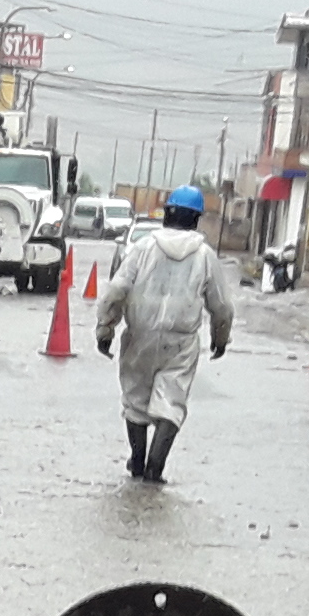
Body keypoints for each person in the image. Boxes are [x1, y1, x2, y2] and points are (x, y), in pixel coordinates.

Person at [93, 184, 233, 481]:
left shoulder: (143, 248)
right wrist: (220, 338)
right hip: (180, 342)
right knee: (172, 402)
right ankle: (156, 468)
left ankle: (138, 461)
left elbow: (116, 290)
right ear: (197, 219)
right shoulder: (205, 256)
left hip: (139, 335)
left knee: (135, 399)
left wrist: (105, 328)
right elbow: (221, 306)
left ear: (167, 213)